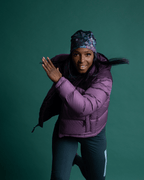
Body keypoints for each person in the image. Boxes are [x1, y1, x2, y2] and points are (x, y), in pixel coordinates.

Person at [32, 30, 129, 180]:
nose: (82, 60)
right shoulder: (65, 68)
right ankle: (71, 157)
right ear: (71, 54)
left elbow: (85, 107)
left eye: (87, 54)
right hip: (67, 128)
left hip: (94, 133)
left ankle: (76, 159)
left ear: (94, 55)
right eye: (77, 54)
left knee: (96, 178)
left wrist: (59, 81)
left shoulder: (104, 78)